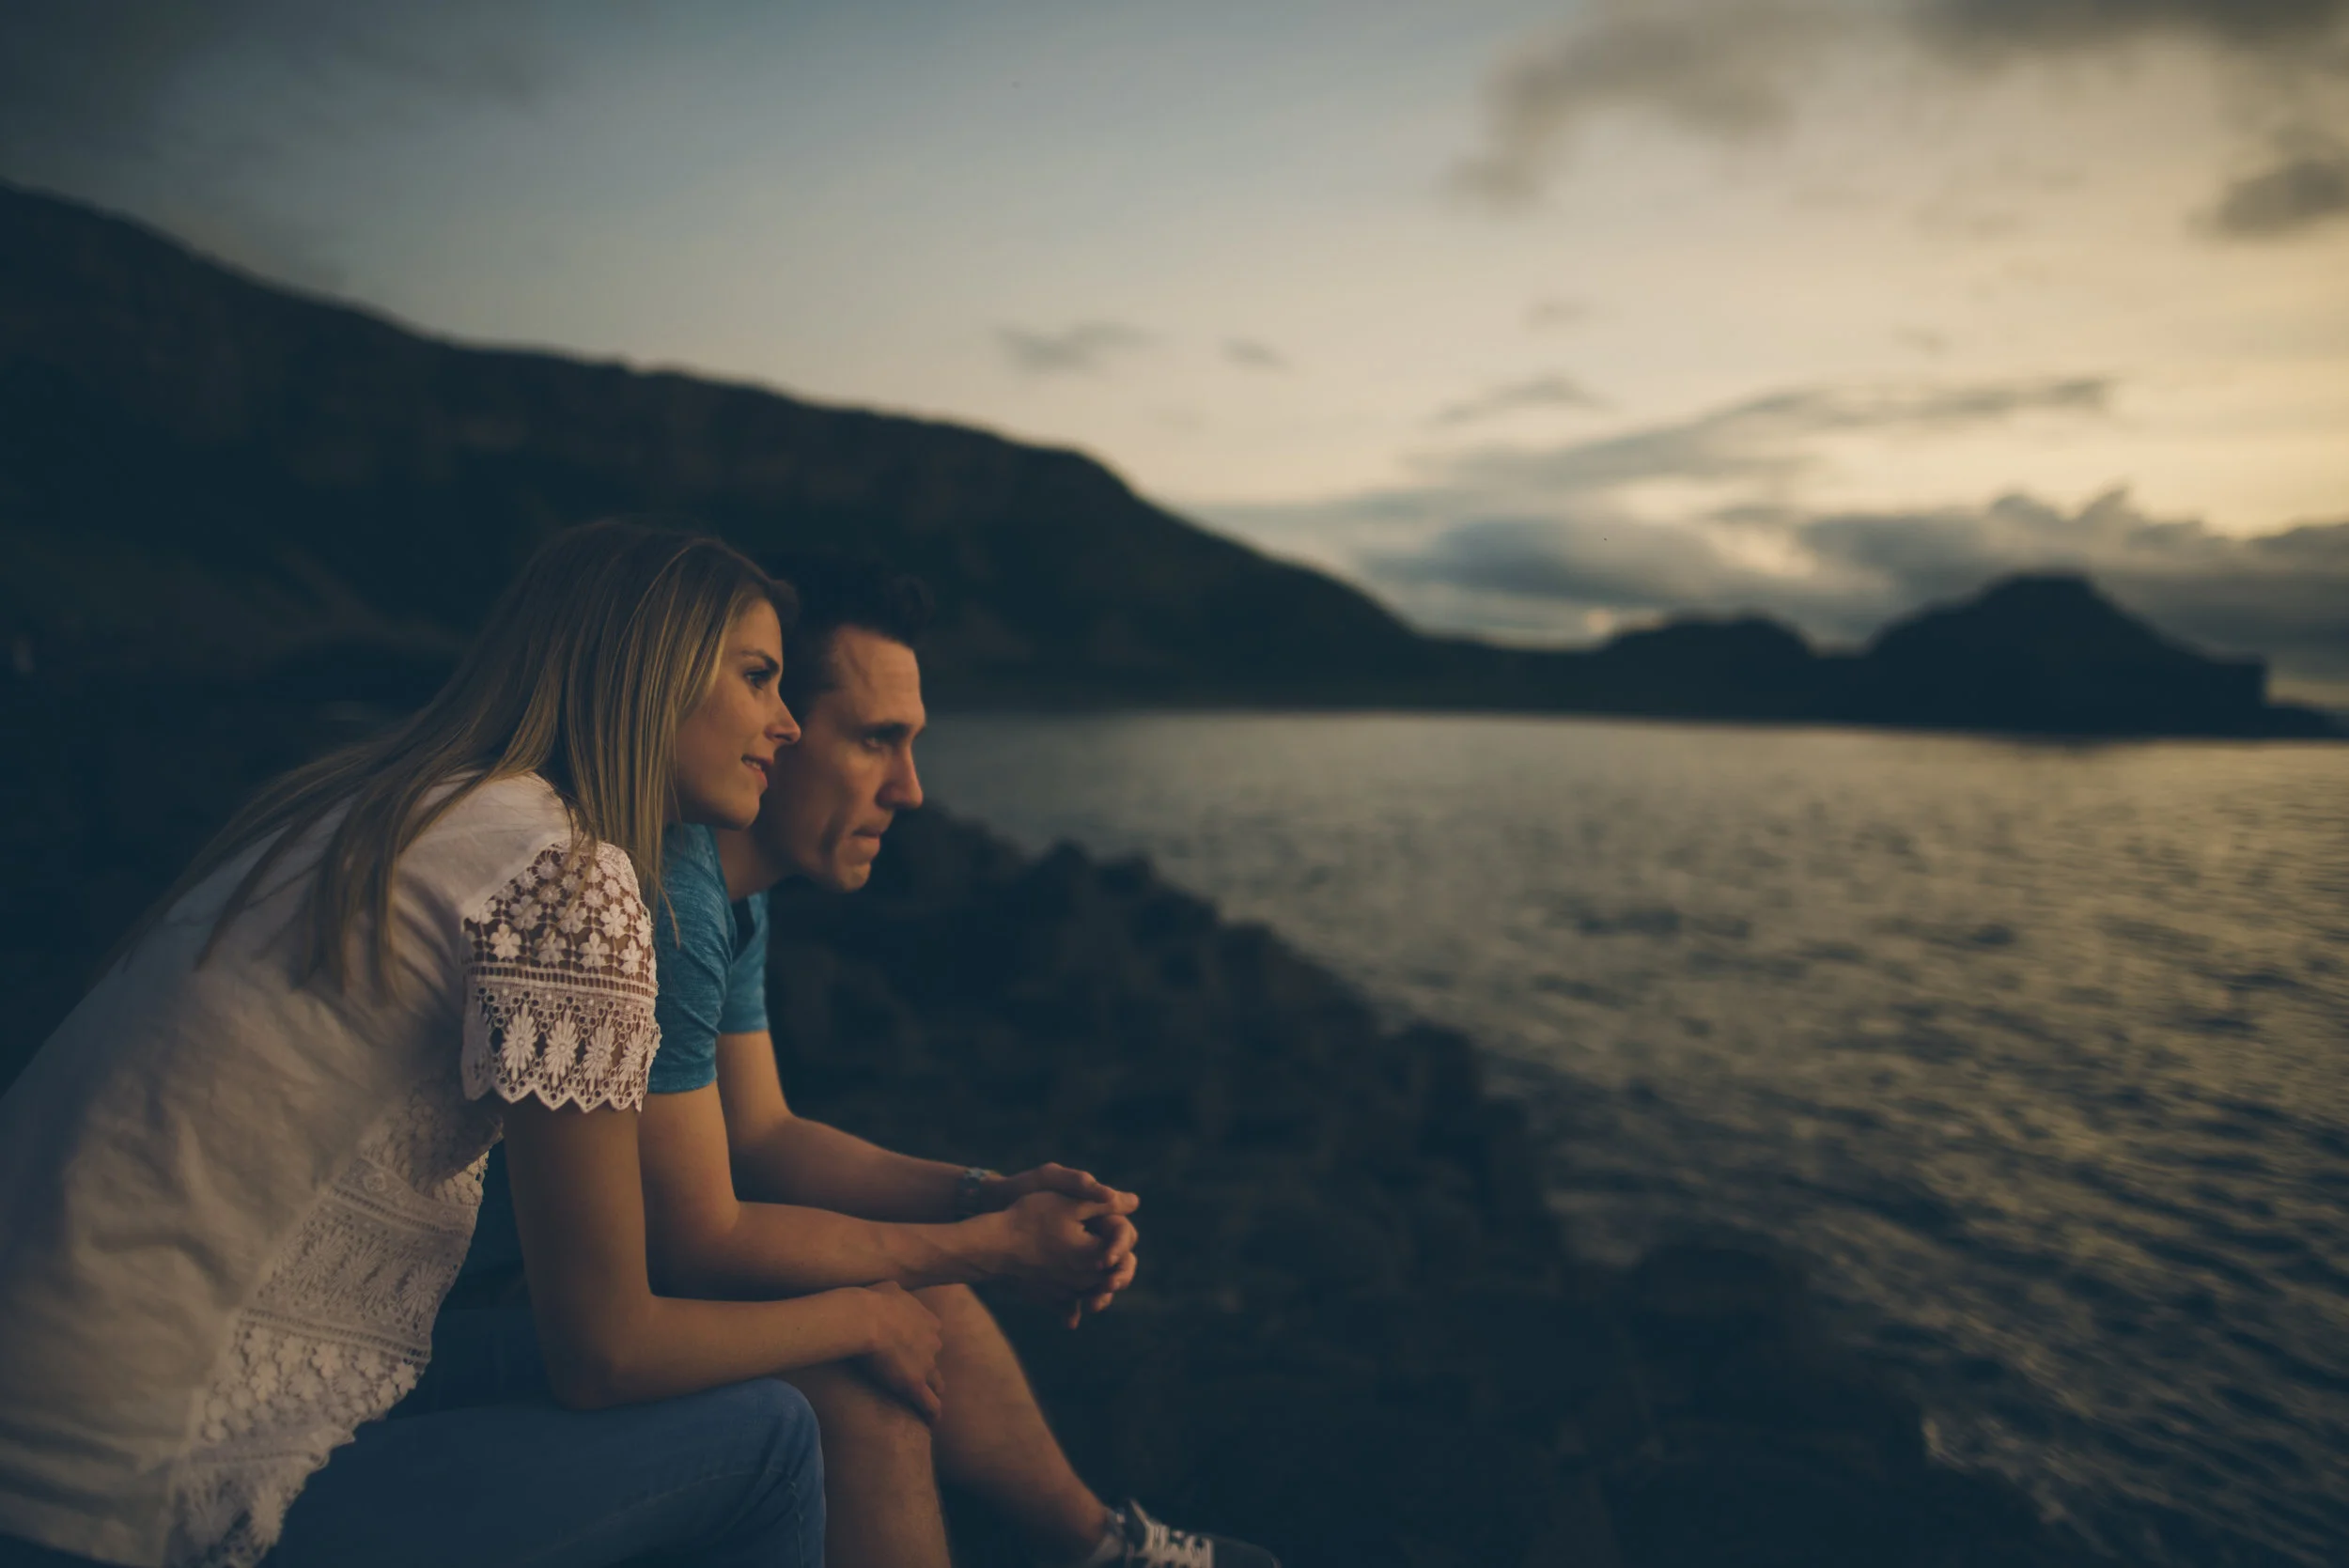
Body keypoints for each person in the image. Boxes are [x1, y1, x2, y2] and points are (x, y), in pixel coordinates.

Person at [0, 522, 934, 1568]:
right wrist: (863, 1315)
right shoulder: (567, 880)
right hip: (119, 1484)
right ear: (648, 670)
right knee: (770, 1436)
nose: (788, 723)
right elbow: (609, 1351)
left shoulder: (379, 807)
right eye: (759, 678)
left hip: (50, 1402)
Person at [626, 554, 1283, 1568]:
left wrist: (988, 1194)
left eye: (913, 744)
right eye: (878, 741)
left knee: (917, 1278)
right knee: (867, 1386)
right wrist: (993, 1244)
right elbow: (688, 1243)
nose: (913, 790)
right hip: (521, 1300)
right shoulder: (671, 892)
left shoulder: (732, 896)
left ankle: (1103, 1549)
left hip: (603, 1276)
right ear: (775, 730)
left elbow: (762, 1135)